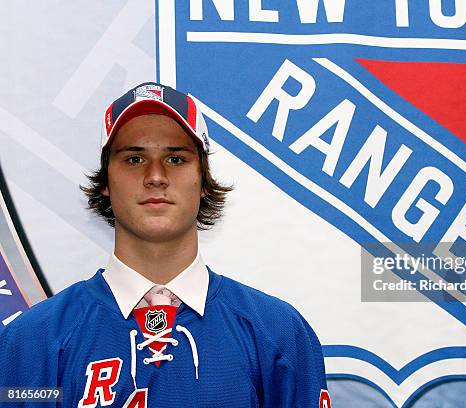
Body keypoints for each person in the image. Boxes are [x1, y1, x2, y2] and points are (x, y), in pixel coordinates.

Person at [0, 82, 331, 407]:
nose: (155, 176)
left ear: (203, 180)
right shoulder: (32, 341)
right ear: (105, 183)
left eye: (175, 159)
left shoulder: (278, 331)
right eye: (134, 159)